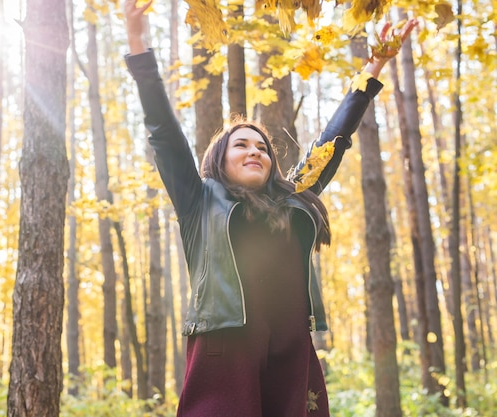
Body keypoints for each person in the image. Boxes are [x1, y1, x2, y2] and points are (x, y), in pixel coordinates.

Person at [124, 1, 417, 415]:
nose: (254, 151)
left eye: (262, 147)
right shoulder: (198, 199)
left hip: (290, 346)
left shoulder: (290, 197)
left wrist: (372, 71)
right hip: (225, 347)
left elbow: (332, 142)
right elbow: (164, 132)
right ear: (219, 159)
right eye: (241, 144)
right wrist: (137, 42)